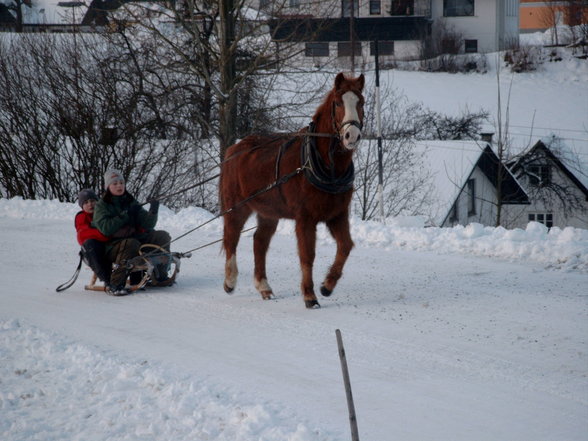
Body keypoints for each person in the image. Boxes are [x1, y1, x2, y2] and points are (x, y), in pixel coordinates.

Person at [92, 169, 171, 295]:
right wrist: (125, 215)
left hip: (136, 240)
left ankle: (160, 276)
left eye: (121, 183)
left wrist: (153, 209)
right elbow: (106, 228)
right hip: (113, 246)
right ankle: (116, 284)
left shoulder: (130, 201)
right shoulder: (102, 205)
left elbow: (148, 223)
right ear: (108, 186)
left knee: (162, 236)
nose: (119, 186)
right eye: (115, 183)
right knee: (131, 243)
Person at [75, 189, 111, 286]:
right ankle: (107, 279)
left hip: (108, 247)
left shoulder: (104, 213)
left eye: (92, 201)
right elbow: (83, 235)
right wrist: (105, 234)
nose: (90, 204)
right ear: (82, 206)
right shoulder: (81, 216)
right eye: (86, 202)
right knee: (90, 243)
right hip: (92, 251)